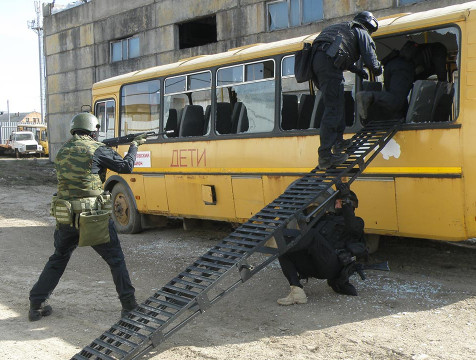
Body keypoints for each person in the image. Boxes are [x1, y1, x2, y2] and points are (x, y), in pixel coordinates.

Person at [28, 113, 147, 321]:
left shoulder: (62, 150)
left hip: (66, 218)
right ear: (93, 131)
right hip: (92, 218)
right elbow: (127, 167)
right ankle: (129, 306)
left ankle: (36, 304)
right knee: (116, 260)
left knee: (58, 259)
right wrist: (134, 146)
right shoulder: (97, 149)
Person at [312, 11, 383, 170]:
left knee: (337, 104)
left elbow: (336, 51)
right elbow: (370, 58)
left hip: (319, 63)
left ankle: (338, 143)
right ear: (369, 25)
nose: (370, 33)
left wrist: (357, 70)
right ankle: (325, 156)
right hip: (328, 66)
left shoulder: (343, 28)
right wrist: (378, 69)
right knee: (333, 109)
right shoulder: (361, 31)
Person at [277, 182, 366, 305]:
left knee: (312, 236)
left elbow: (351, 227)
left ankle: (286, 247)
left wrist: (345, 198)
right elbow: (305, 226)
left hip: (332, 266)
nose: (338, 204)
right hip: (316, 266)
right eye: (338, 201)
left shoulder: (357, 222)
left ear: (351, 205)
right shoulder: (325, 219)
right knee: (282, 250)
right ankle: (297, 292)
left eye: (341, 202)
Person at [356, 47, 415, 123]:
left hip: (392, 64)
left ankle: (371, 96)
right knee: (397, 100)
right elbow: (397, 100)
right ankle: (370, 96)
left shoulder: (393, 64)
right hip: (399, 65)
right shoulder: (401, 66)